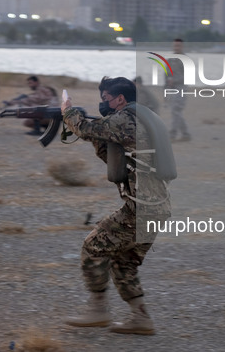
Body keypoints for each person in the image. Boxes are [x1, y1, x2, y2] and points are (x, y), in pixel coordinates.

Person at [62, 77, 171, 335]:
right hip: (156, 208)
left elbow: (84, 127)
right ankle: (140, 318)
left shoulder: (125, 119)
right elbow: (114, 161)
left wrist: (67, 111)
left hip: (140, 209)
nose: (103, 104)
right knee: (123, 262)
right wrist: (93, 135)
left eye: (106, 99)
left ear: (120, 99)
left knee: (93, 247)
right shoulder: (143, 118)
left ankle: (97, 310)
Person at [166, 38, 191, 142]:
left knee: (176, 110)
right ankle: (185, 134)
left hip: (181, 88)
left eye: (178, 46)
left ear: (182, 46)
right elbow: (167, 73)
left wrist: (174, 80)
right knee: (175, 111)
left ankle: (173, 134)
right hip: (171, 88)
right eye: (175, 45)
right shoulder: (170, 59)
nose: (176, 47)